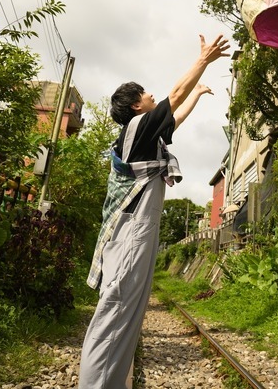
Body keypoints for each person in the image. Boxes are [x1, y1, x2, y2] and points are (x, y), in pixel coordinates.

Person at [78, 33, 230, 389]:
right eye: (145, 93)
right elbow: (172, 98)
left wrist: (198, 94)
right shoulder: (135, 129)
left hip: (138, 237)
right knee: (115, 315)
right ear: (134, 106)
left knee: (128, 316)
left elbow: (176, 115)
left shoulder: (148, 138)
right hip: (130, 235)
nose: (151, 95)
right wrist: (203, 59)